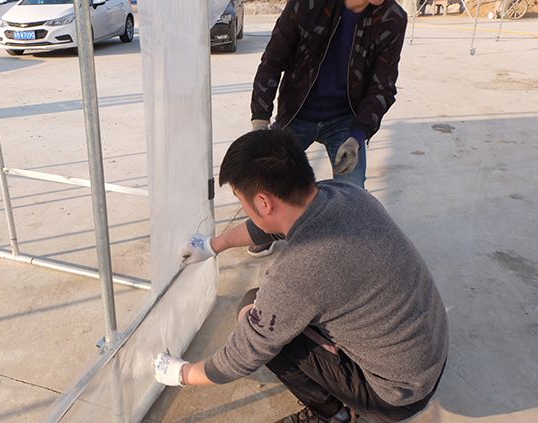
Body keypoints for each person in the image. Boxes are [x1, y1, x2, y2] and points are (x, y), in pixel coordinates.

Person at [154, 129, 448, 423]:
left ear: (264, 202)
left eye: (240, 199)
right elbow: (270, 224)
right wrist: (213, 245)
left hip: (396, 395)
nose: (242, 207)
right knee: (265, 307)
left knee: (253, 317)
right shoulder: (345, 194)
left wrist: (182, 373)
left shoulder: (297, 274)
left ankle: (333, 415)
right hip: (429, 352)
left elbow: (243, 355)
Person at [246, 0, 408, 257]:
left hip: (346, 119)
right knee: (271, 178)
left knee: (353, 194)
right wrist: (260, 120)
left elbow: (382, 87)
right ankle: (265, 230)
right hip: (298, 112)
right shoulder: (308, 3)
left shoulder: (392, 17)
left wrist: (357, 136)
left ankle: (342, 252)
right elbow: (273, 61)